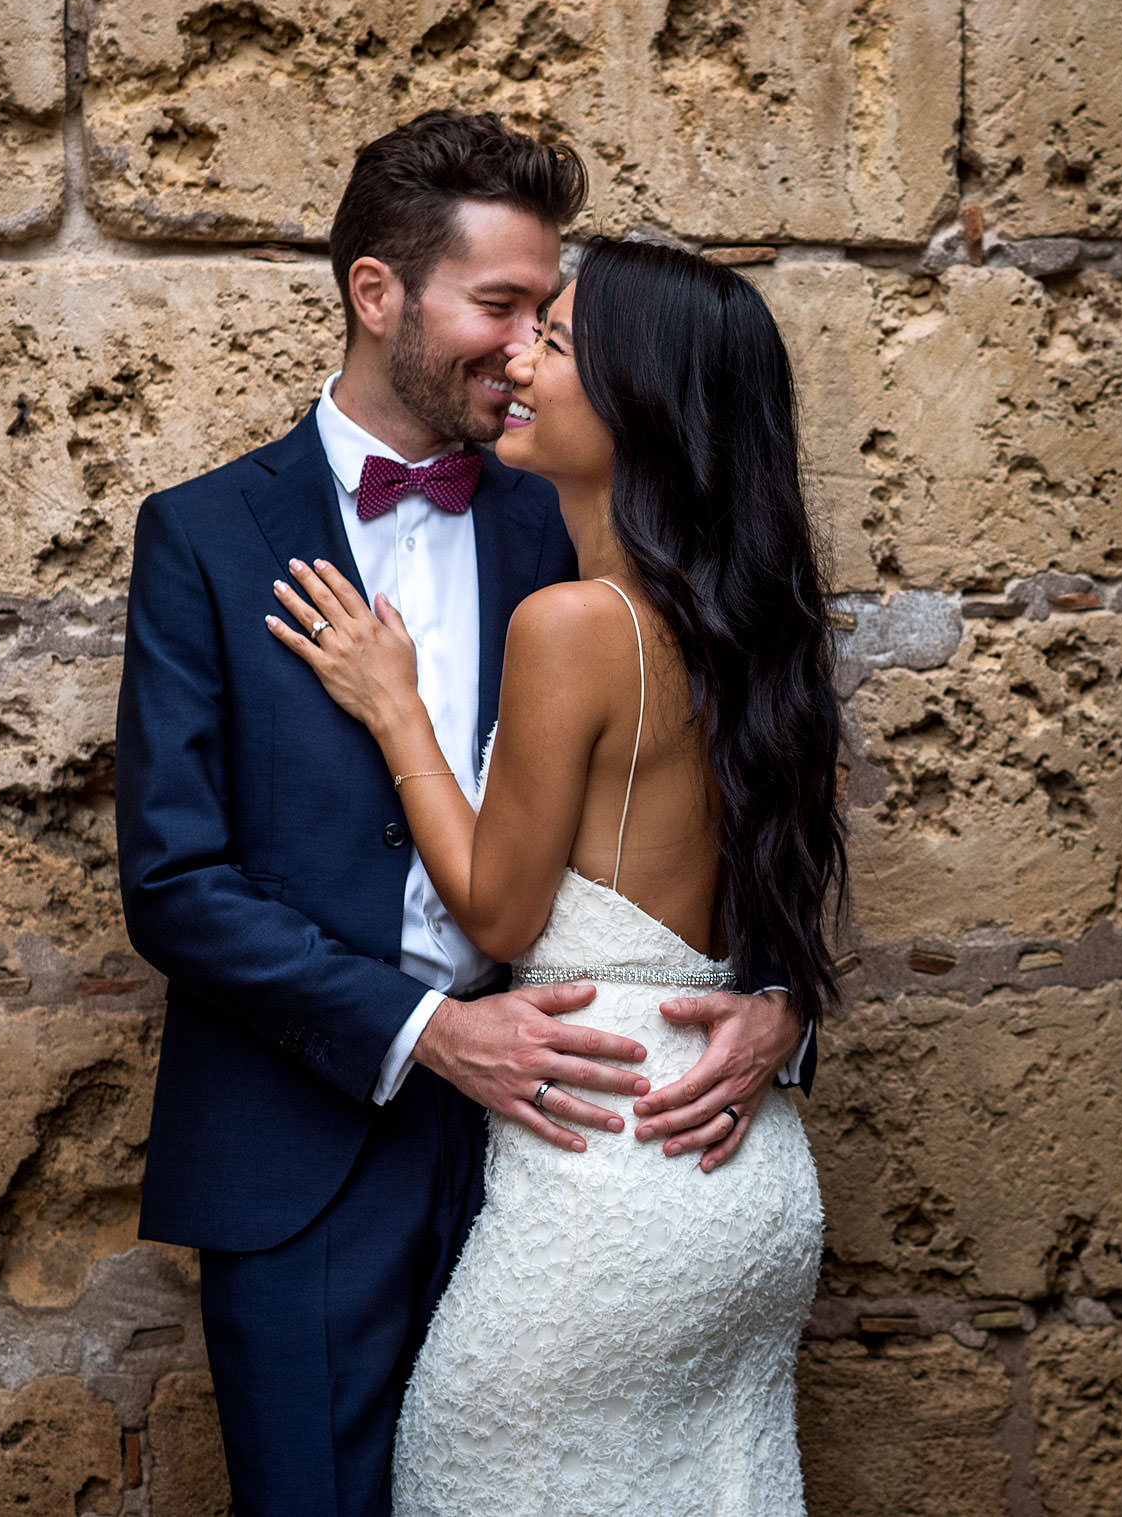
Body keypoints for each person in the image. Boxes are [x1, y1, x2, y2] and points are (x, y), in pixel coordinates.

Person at [114, 112, 812, 1517]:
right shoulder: (202, 536)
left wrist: (783, 1005)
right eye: (501, 305)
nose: (521, 344)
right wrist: (433, 1033)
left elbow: (732, 773)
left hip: (576, 1151)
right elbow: (175, 881)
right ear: (381, 295)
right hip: (311, 1149)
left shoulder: (575, 515)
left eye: (544, 315)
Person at [263, 236, 844, 1514]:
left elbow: (501, 910)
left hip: (602, 1174)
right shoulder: (748, 628)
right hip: (740, 1178)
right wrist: (787, 1006)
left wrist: (396, 708)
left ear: (638, 403)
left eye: (559, 343)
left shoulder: (573, 622)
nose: (519, 358)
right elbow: (764, 911)